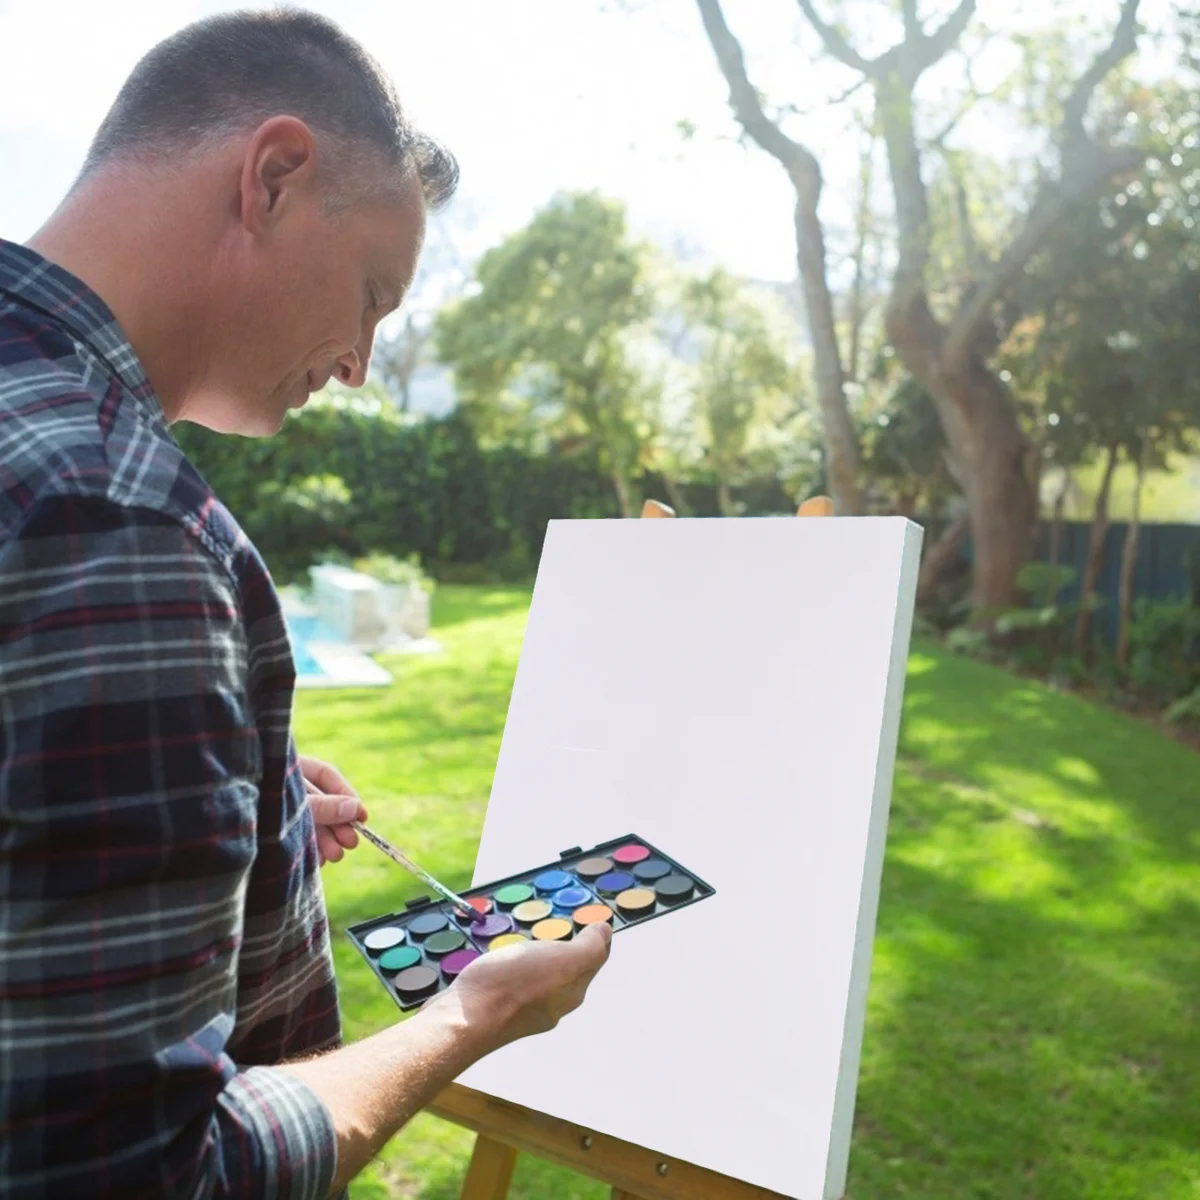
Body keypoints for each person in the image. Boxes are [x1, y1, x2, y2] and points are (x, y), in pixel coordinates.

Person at [0, 9, 611, 1199]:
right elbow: (146, 1174)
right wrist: (466, 1020)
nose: (359, 363)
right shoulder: (121, 521)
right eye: (374, 295)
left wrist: (244, 813)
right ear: (274, 177)